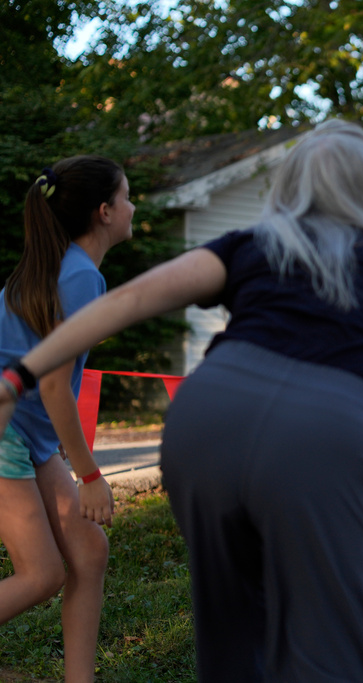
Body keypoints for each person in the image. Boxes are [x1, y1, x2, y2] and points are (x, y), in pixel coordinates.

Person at [0, 120, 363, 682]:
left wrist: (19, 377)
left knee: (232, 639)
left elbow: (133, 299)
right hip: (323, 435)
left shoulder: (252, 245)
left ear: (290, 186)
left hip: (207, 420)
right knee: (333, 650)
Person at [0, 155, 131, 682]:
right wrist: (91, 476)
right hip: (6, 433)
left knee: (88, 550)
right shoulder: (79, 277)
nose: (132, 206)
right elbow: (53, 384)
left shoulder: (67, 269)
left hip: (27, 438)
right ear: (104, 212)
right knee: (41, 574)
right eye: (126, 197)